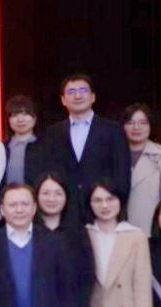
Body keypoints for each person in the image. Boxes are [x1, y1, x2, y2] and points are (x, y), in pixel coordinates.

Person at [36, 75, 130, 223]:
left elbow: (122, 173)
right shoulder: (52, 133)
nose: (78, 96)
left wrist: (116, 207)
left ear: (93, 97)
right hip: (65, 214)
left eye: (83, 90)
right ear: (63, 100)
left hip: (103, 212)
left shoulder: (113, 130)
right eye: (71, 92)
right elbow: (47, 171)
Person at [120, 103, 161, 233]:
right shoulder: (113, 154)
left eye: (143, 123)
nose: (136, 127)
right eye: (130, 122)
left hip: (151, 230)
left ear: (150, 126)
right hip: (116, 230)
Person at [2, 95, 43, 190]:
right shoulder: (1, 148)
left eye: (25, 114)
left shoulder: (45, 146)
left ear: (34, 118)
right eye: (14, 115)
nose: (20, 119)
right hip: (7, 197)